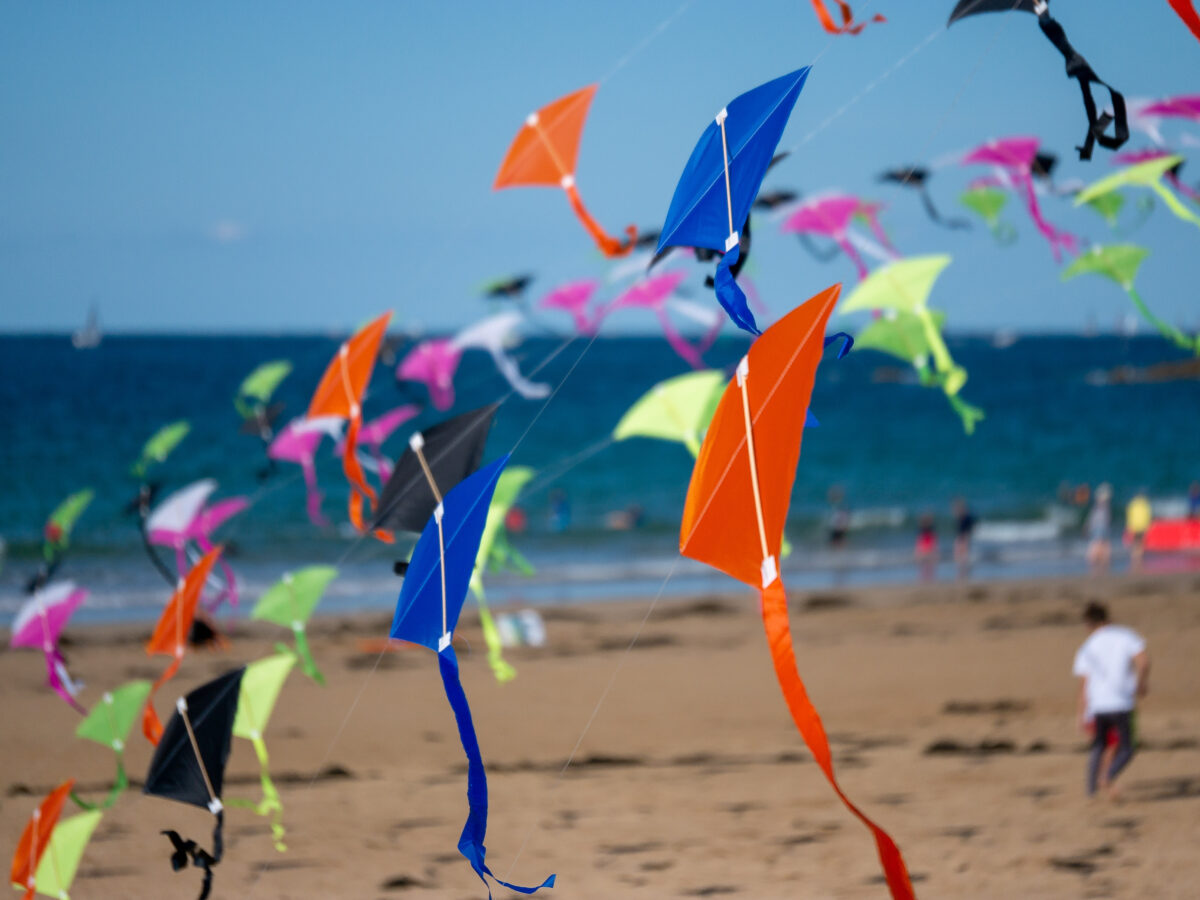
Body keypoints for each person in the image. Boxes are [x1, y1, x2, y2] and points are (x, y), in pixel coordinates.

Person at [1073, 602, 1149, 798]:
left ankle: (1091, 791)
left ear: (1088, 624)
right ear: (1108, 618)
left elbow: (1084, 685)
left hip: (1097, 705)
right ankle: (1107, 777)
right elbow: (1143, 661)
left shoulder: (1087, 647)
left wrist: (1081, 714)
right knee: (1126, 747)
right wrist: (1141, 683)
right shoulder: (1126, 635)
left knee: (1099, 747)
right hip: (1122, 703)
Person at [1085, 483, 1112, 572]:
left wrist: (1088, 526)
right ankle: (1098, 561)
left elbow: (1093, 518)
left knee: (1099, 545)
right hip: (1099, 527)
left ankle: (1099, 562)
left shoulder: (1101, 507)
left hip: (1100, 527)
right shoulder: (1101, 507)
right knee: (1099, 545)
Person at [1124, 489, 1152, 572]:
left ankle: (1135, 559)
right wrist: (1148, 526)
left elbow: (1129, 515)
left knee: (1135, 543)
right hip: (1142, 526)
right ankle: (1138, 558)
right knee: (1140, 543)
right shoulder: (1145, 504)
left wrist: (1129, 526)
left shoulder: (1132, 504)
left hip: (1134, 526)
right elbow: (1148, 515)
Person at [952, 497, 976, 579]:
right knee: (960, 554)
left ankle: (964, 570)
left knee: (963, 554)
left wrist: (967, 536)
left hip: (964, 536)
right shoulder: (963, 517)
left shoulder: (967, 517)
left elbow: (970, 528)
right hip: (961, 536)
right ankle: (963, 570)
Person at [914, 512, 937, 581]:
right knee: (926, 563)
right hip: (926, 545)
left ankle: (926, 576)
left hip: (926, 545)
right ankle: (927, 576)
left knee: (926, 563)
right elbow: (920, 539)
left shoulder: (927, 529)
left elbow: (920, 539)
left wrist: (917, 549)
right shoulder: (925, 529)